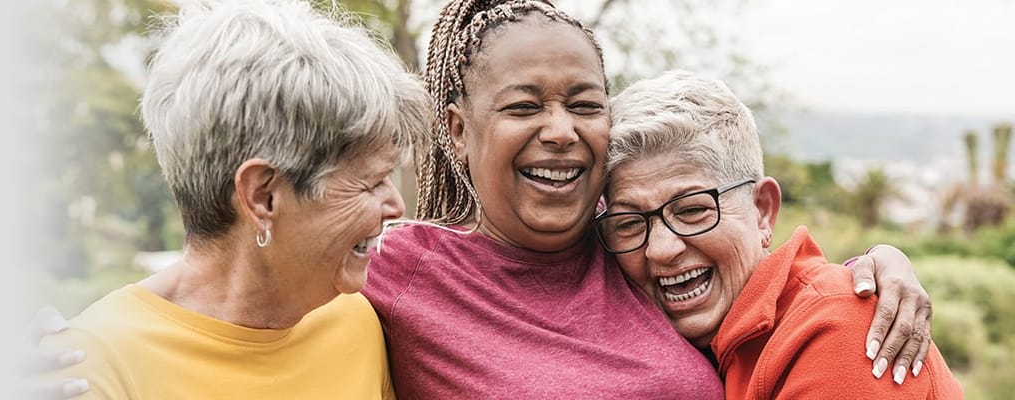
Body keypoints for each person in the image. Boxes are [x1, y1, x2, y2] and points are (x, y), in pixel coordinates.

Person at [362, 0, 936, 398]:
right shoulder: (404, 271)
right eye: (524, 106)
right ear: (459, 130)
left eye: (585, 105)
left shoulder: (624, 247)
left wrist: (864, 276)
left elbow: (761, 283)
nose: (560, 130)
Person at [36, 1, 429, 399]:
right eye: (371, 182)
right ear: (263, 197)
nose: (396, 205)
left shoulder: (355, 322)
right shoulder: (86, 368)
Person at [599, 70, 962, 399]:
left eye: (693, 210)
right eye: (630, 224)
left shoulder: (839, 332)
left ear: (763, 211)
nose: (660, 249)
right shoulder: (713, 337)